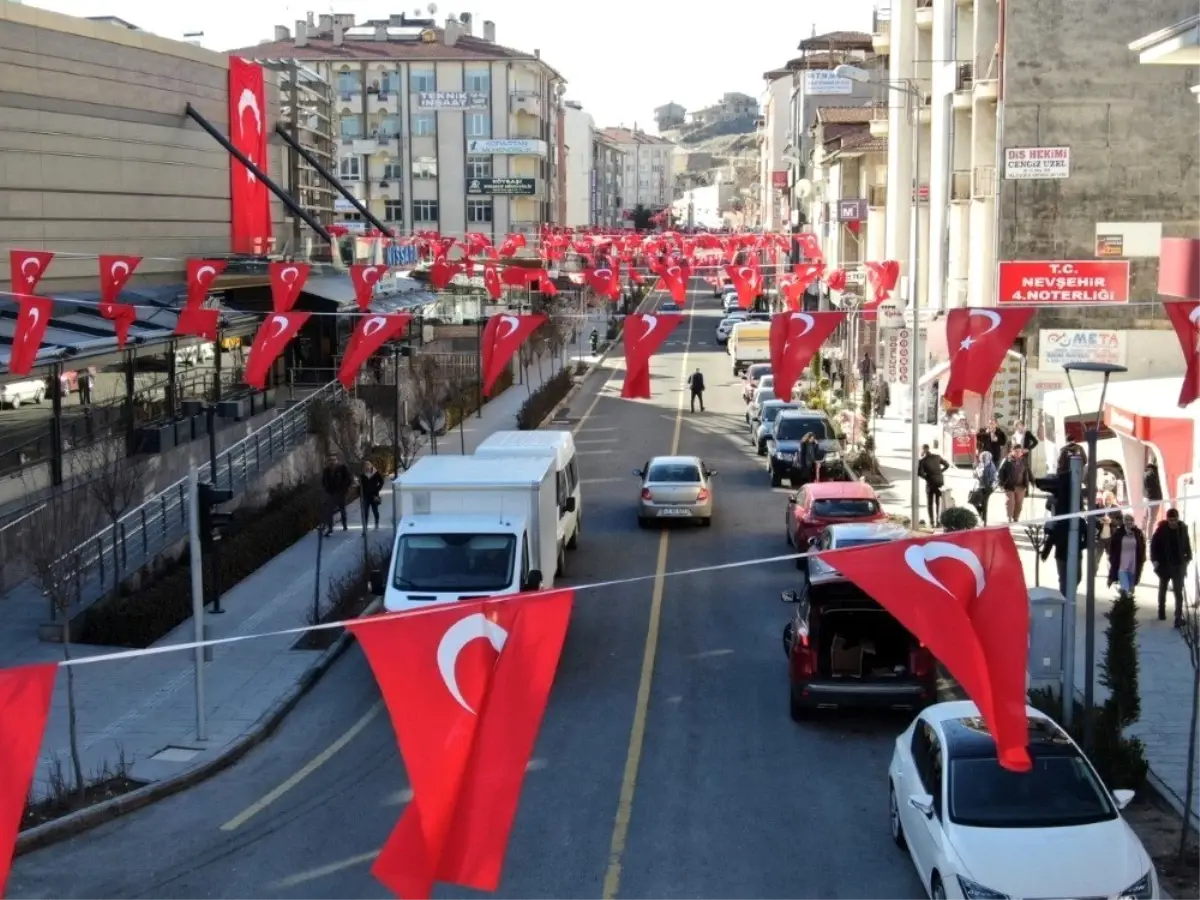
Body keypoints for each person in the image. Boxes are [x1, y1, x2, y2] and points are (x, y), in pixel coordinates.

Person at [1150, 507, 1193, 626]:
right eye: (1170, 520)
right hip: (1164, 564)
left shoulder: (1183, 528)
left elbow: (1187, 542)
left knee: (1178, 591)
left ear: (1178, 519)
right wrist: (1154, 560)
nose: (1173, 522)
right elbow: (1153, 546)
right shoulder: (1161, 530)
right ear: (1167, 520)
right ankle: (1161, 611)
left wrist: (1188, 557)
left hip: (1179, 564)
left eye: (1175, 520)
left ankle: (1178, 617)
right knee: (1163, 588)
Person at [1107, 513, 1146, 600]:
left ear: (1133, 522)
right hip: (1122, 566)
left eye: (1131, 521)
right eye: (1127, 520)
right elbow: (1112, 548)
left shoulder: (1138, 533)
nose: (1129, 522)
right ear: (1124, 522)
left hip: (1133, 565)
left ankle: (1127, 607)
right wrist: (1112, 559)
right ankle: (1123, 604)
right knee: (1125, 588)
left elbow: (1142, 548)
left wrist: (1143, 559)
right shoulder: (1118, 533)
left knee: (1131, 589)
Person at [917, 443, 950, 526]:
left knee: (930, 503)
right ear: (929, 448)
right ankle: (938, 521)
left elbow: (920, 473)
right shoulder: (937, 457)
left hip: (930, 483)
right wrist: (940, 472)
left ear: (923, 450)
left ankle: (932, 522)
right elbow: (947, 465)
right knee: (938, 501)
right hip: (940, 481)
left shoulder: (922, 461)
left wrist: (927, 477)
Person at [997, 446, 1032, 523]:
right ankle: (1009, 517)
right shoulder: (1006, 460)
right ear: (1012, 451)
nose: (1018, 453)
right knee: (1010, 502)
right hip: (1009, 485)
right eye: (1016, 451)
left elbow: (1028, 471)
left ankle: (1016, 517)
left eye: (1019, 451)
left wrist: (1032, 481)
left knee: (1019, 503)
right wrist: (1001, 483)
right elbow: (1000, 473)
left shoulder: (1023, 460)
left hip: (1021, 486)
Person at [320, 454, 352, 536]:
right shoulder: (326, 471)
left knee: (342, 509)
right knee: (329, 510)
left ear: (337, 460)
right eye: (330, 460)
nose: (332, 462)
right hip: (331, 493)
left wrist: (345, 488)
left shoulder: (342, 468)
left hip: (341, 493)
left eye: (334, 460)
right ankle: (330, 528)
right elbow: (323, 481)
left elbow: (348, 478)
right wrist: (326, 489)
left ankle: (344, 524)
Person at [971, 450, 998, 525]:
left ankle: (984, 520)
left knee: (984, 503)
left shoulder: (991, 466)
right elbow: (975, 475)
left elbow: (994, 477)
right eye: (982, 457)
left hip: (987, 487)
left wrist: (991, 485)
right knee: (973, 501)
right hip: (979, 487)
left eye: (984, 457)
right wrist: (975, 471)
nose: (982, 458)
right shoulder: (980, 465)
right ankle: (981, 514)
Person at [359, 460, 385, 530]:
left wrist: (377, 489)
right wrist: (360, 493)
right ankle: (365, 528)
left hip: (374, 495)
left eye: (368, 465)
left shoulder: (376, 473)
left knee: (375, 510)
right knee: (365, 512)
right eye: (365, 466)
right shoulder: (362, 475)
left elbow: (382, 481)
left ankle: (376, 521)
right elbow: (360, 485)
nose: (367, 467)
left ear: (371, 465)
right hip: (365, 496)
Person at [1144, 456, 1164, 531]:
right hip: (1154, 498)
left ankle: (1146, 535)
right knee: (1151, 519)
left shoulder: (1146, 472)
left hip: (1149, 497)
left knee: (1148, 518)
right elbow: (1158, 484)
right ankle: (1149, 538)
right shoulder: (1154, 473)